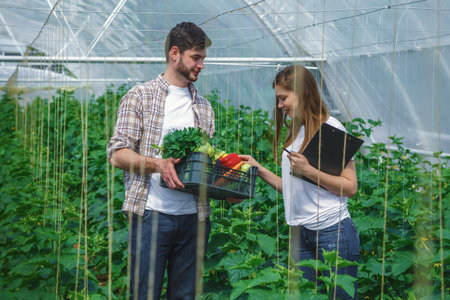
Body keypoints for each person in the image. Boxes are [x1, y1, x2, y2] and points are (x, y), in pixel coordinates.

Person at [107, 22, 240, 300]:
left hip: (194, 219)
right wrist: (158, 164)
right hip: (151, 217)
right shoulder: (140, 97)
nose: (201, 65)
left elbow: (201, 166)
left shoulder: (204, 108)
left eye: (203, 58)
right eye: (196, 57)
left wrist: (226, 186)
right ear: (175, 53)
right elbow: (117, 154)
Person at [240, 65, 359, 299]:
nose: (280, 105)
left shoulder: (330, 128)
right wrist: (260, 169)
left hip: (332, 231)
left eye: (283, 98)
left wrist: (309, 170)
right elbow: (294, 189)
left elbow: (350, 187)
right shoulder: (297, 131)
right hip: (300, 233)